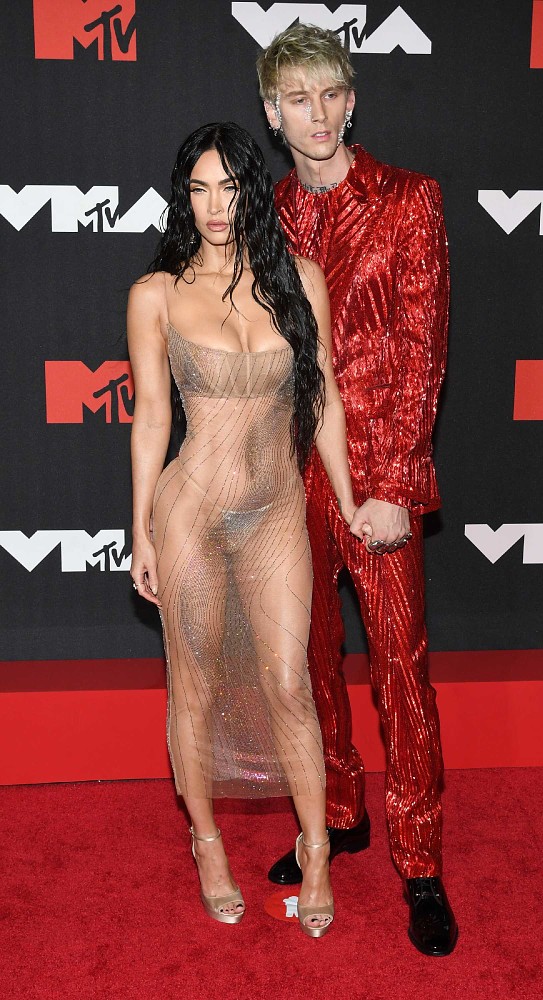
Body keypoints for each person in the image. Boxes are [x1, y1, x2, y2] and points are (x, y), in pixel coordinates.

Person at [127, 121, 366, 938]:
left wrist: (349, 501)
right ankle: (207, 843)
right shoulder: (156, 294)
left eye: (228, 187)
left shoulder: (300, 279)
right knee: (192, 685)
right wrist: (140, 531)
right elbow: (151, 418)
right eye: (198, 189)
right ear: (182, 198)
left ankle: (316, 847)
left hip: (275, 512)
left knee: (289, 682)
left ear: (252, 192)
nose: (214, 206)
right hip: (189, 512)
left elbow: (323, 398)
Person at [256, 25, 458, 956]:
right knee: (307, 661)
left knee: (400, 674)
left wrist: (395, 483)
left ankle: (421, 861)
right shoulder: (266, 215)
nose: (320, 114)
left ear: (352, 99)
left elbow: (423, 351)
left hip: (377, 476)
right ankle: (339, 814)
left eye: (333, 93)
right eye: (300, 98)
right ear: (273, 112)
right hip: (290, 475)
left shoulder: (411, 201)